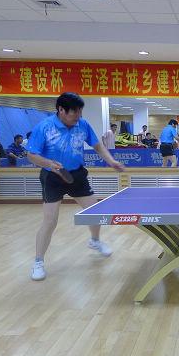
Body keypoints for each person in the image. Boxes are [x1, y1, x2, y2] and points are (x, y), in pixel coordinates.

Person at [25, 92, 125, 281]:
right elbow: (31, 155)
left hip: (77, 174)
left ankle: (95, 241)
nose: (78, 116)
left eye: (80, 112)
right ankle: (38, 261)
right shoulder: (44, 127)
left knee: (94, 211)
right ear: (61, 110)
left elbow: (97, 146)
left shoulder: (82, 124)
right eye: (74, 112)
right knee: (50, 221)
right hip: (52, 176)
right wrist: (49, 164)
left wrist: (111, 161)